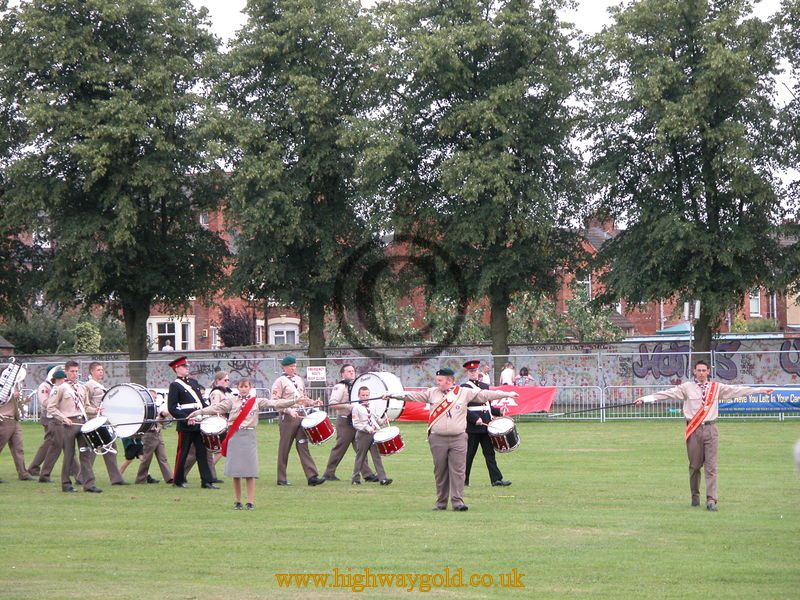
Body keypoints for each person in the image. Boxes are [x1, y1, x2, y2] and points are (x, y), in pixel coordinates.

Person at [634, 359, 774, 511]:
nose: (701, 373)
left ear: (708, 371)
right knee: (694, 466)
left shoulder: (716, 387)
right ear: (694, 371)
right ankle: (695, 496)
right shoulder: (686, 387)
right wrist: (645, 399)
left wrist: (760, 390)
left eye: (704, 370)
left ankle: (711, 500)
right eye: (698, 370)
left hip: (710, 429)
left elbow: (737, 390)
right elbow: (666, 394)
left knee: (711, 467)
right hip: (694, 430)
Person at [397, 367, 518, 511]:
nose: (437, 383)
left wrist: (507, 393)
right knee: (440, 471)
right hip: (438, 439)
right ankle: (441, 503)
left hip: (459, 438)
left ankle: (457, 502)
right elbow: (411, 396)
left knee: (459, 471)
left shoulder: (463, 392)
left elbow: (485, 394)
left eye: (440, 380)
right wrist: (392, 395)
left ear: (449, 381)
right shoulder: (432, 393)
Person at [189, 377, 308, 510]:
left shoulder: (256, 401)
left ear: (250, 387)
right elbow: (215, 408)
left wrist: (294, 401)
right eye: (241, 386)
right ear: (237, 388)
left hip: (249, 436)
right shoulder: (231, 401)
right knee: (236, 472)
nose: (244, 389)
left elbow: (276, 403)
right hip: (235, 436)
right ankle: (238, 501)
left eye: (246, 386)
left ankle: (250, 501)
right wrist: (197, 412)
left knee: (250, 472)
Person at [48, 360, 102, 493]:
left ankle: (89, 484)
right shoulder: (61, 388)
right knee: (69, 455)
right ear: (66, 372)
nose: (75, 374)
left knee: (85, 453)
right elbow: (51, 407)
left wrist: (96, 410)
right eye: (72, 371)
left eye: (76, 371)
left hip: (82, 423)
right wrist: (63, 418)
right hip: (69, 424)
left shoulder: (82, 388)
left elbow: (86, 406)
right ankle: (66, 484)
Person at [272, 355, 325, 486]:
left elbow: (303, 397)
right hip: (288, 417)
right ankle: (281, 478)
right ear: (284, 367)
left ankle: (312, 476)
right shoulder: (280, 381)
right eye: (290, 366)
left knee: (303, 444)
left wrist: (313, 402)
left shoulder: (299, 380)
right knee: (285, 447)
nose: (293, 368)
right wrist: (288, 410)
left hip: (301, 415)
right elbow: (275, 401)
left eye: (294, 366)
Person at [167, 356, 217, 489]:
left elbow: (201, 402)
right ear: (177, 369)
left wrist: (208, 413)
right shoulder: (175, 385)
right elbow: (172, 408)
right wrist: (186, 418)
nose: (187, 368)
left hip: (199, 421)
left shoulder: (193, 383)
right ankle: (177, 481)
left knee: (202, 452)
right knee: (182, 452)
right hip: (186, 424)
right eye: (184, 366)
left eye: (187, 366)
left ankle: (206, 481)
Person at [321, 364, 378, 482]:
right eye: (348, 371)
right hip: (345, 420)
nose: (352, 373)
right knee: (340, 447)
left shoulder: (357, 386)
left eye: (353, 371)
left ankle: (367, 474)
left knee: (360, 448)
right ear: (342, 374)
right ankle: (329, 472)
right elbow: (332, 404)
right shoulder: (340, 387)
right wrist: (347, 406)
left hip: (356, 421)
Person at [461, 360, 511, 487]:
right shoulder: (464, 387)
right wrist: (474, 419)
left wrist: (498, 411)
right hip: (473, 427)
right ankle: (463, 480)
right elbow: (462, 408)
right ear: (468, 373)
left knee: (490, 453)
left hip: (486, 426)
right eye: (470, 371)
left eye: (475, 370)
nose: (473, 373)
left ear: (478, 371)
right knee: (469, 454)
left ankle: (496, 480)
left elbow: (487, 406)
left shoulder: (484, 386)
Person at [27, 366, 79, 483]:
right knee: (55, 447)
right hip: (54, 420)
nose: (64, 380)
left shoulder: (61, 388)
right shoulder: (50, 388)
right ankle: (43, 473)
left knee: (63, 447)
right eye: (61, 378)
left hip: (60, 420)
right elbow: (47, 404)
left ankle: (76, 474)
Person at [83, 362, 129, 485]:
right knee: (92, 450)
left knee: (111, 448)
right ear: (91, 371)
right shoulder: (89, 386)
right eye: (98, 370)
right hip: (94, 421)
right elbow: (85, 405)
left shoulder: (100, 385)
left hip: (103, 421)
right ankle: (82, 476)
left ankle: (116, 479)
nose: (101, 372)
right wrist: (94, 411)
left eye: (102, 370)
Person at [350, 386, 391, 486]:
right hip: (363, 435)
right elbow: (356, 423)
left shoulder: (371, 405)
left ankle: (383, 478)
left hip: (374, 434)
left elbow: (375, 417)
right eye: (363, 395)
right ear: (358, 396)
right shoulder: (356, 408)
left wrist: (382, 422)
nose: (365, 397)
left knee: (376, 456)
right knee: (361, 457)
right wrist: (367, 428)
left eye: (367, 395)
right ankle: (355, 478)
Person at [134, 390, 172, 484]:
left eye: (155, 398)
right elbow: (150, 422)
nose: (154, 400)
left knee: (162, 457)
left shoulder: (156, 408)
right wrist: (160, 417)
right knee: (147, 458)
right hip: (149, 435)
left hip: (158, 433)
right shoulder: (144, 409)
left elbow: (162, 422)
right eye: (153, 398)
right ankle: (140, 479)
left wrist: (164, 418)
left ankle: (169, 477)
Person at [0, 381, 34, 482]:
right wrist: (11, 395)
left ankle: (23, 473)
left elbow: (16, 404)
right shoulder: (2, 388)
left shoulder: (13, 387)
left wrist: (24, 400)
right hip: (4, 419)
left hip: (14, 419)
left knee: (18, 448)